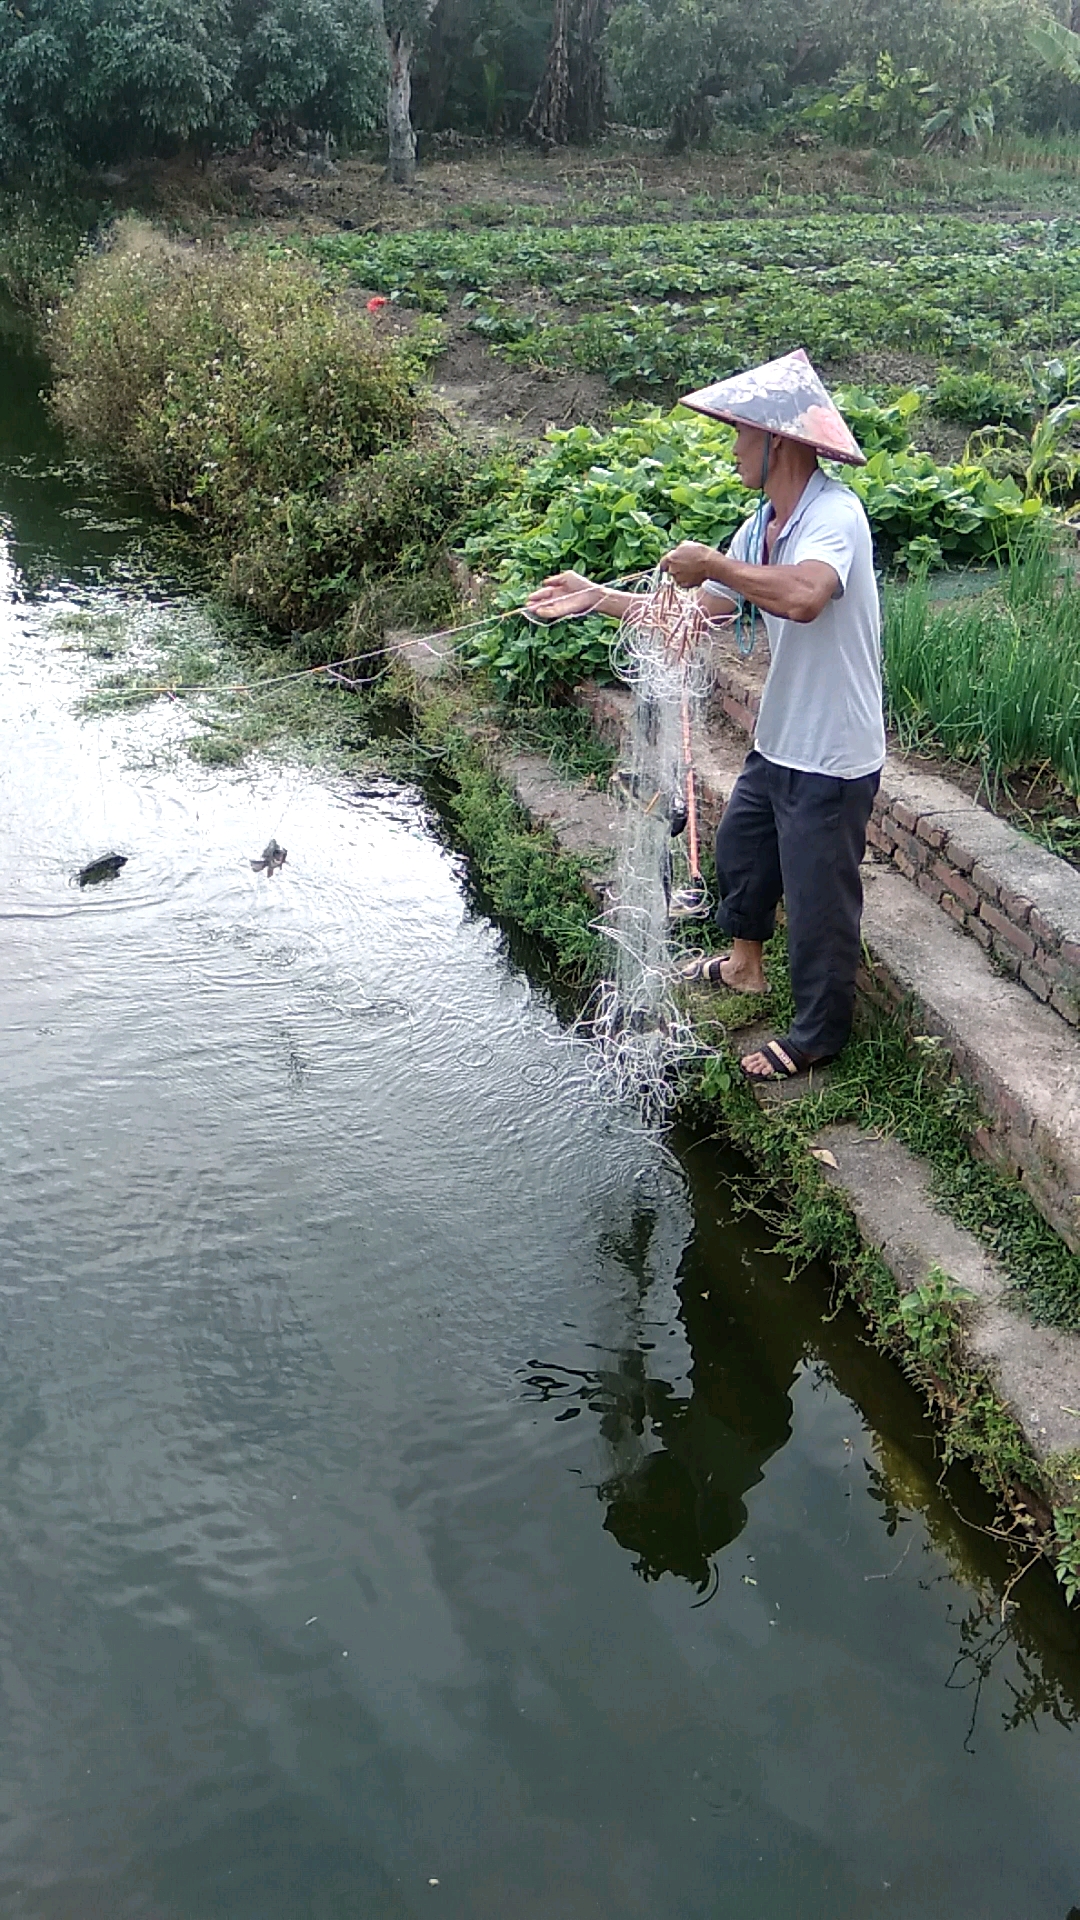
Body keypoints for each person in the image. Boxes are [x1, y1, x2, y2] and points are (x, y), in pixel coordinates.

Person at [525, 347, 886, 1083]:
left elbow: (807, 596)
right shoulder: (762, 526)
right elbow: (693, 614)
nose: (732, 450)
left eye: (739, 436)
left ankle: (818, 1035)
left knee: (820, 901)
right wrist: (597, 596)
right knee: (743, 852)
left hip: (835, 750)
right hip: (783, 735)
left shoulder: (833, 515)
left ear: (777, 441)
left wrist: (716, 565)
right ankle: (745, 967)